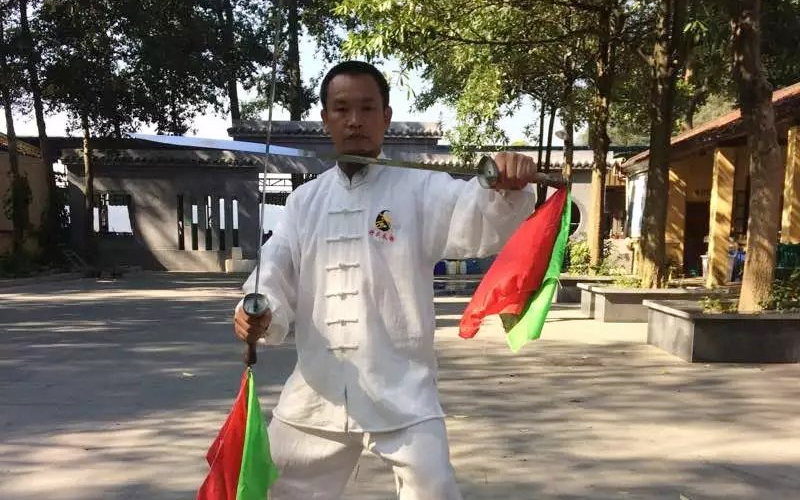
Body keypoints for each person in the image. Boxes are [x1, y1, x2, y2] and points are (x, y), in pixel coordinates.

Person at [233, 60, 538, 500]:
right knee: (275, 488)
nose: (354, 121)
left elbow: (474, 212)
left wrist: (506, 186)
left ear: (386, 117)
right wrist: (259, 308)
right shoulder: (304, 202)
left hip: (401, 389)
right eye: (342, 109)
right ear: (325, 119)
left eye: (367, 108)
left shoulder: (419, 189)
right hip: (317, 391)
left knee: (434, 490)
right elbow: (274, 268)